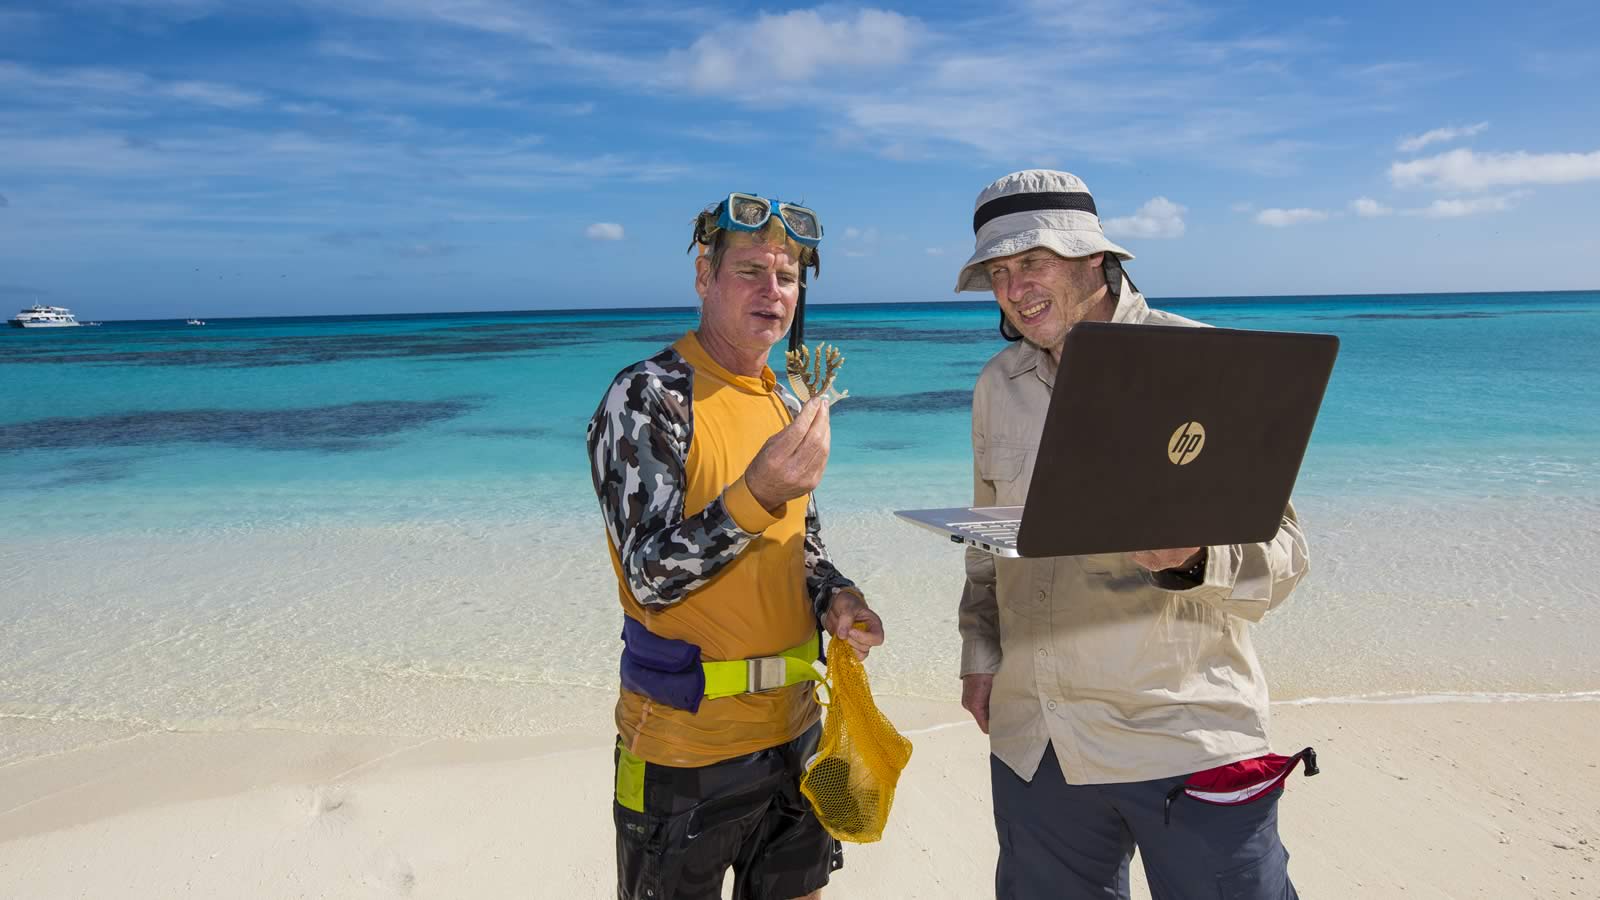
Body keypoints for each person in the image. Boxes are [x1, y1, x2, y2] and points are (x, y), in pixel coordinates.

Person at [953, 170, 1312, 899]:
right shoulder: (998, 383)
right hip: (1036, 740)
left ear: (1095, 260)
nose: (1015, 288)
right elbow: (988, 544)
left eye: (1032, 262)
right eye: (999, 272)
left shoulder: (1205, 362)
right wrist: (980, 655)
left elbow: (1287, 558)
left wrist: (1195, 558)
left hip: (1178, 733)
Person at [587, 193, 885, 900]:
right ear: (704, 276)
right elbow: (651, 574)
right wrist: (757, 490)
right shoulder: (648, 396)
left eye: (786, 278)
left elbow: (800, 549)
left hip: (798, 735)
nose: (771, 292)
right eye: (750, 270)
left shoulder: (786, 403)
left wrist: (837, 597)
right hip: (683, 748)